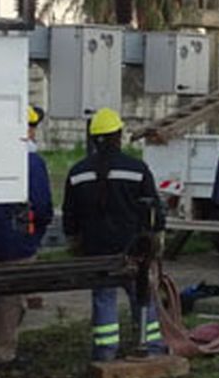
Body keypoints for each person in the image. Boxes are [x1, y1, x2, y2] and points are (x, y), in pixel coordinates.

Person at [63, 107, 167, 362]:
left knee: (103, 298)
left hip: (97, 252)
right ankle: (150, 346)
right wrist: (155, 238)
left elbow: (70, 216)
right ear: (118, 136)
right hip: (133, 251)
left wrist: (76, 241)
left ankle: (105, 351)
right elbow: (153, 210)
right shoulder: (137, 169)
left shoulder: (78, 173)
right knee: (142, 297)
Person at [0, 105, 54, 370]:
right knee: (12, 300)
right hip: (19, 240)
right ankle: (3, 355)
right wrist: (38, 233)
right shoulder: (32, 163)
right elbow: (43, 205)